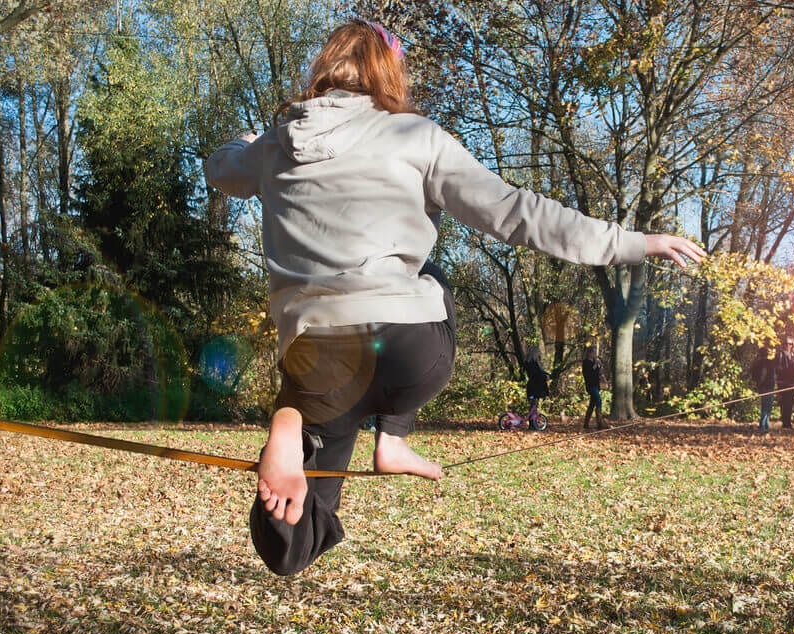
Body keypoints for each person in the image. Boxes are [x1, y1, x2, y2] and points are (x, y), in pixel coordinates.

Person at [204, 19, 706, 575]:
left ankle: (290, 426)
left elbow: (221, 170)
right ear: (387, 72)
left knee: (289, 554)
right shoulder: (414, 135)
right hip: (407, 352)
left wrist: (246, 142)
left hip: (316, 358)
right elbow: (518, 213)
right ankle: (392, 438)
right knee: (432, 276)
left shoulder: (275, 146)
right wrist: (632, 242)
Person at [774, 336, 794, 429]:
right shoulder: (779, 355)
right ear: (783, 344)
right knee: (784, 402)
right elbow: (776, 368)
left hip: (792, 382)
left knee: (790, 402)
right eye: (786, 343)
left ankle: (787, 422)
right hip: (783, 382)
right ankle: (785, 422)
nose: (788, 346)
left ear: (793, 345)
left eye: (790, 344)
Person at [750, 346, 778, 431]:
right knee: (767, 406)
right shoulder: (766, 363)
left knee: (766, 406)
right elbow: (764, 374)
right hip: (767, 386)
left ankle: (766, 424)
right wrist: (761, 383)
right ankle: (763, 425)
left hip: (765, 386)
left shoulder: (757, 363)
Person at [582, 345, 605, 429]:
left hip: (596, 385)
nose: (595, 354)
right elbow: (588, 373)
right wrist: (595, 364)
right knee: (598, 401)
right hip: (590, 386)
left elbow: (598, 373)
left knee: (592, 404)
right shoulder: (586, 362)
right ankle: (600, 423)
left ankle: (586, 423)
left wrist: (600, 366)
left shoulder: (594, 361)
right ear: (590, 353)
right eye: (594, 352)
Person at [523, 345, 551, 415]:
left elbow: (540, 373)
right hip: (535, 387)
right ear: (534, 353)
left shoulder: (529, 362)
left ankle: (533, 424)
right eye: (538, 352)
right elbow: (537, 374)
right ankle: (532, 424)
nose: (539, 353)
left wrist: (548, 375)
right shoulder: (533, 363)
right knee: (533, 405)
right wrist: (545, 377)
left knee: (533, 405)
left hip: (533, 386)